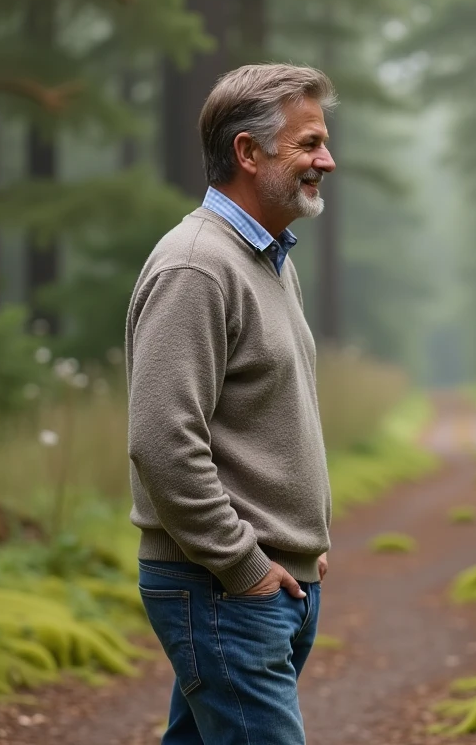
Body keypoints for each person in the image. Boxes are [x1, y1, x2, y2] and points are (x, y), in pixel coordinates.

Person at [125, 63, 337, 745]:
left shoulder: (269, 260)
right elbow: (163, 442)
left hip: (260, 586)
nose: (327, 161)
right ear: (248, 152)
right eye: (309, 143)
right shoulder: (196, 266)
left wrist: (299, 545)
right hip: (221, 587)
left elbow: (265, 417)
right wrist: (245, 565)